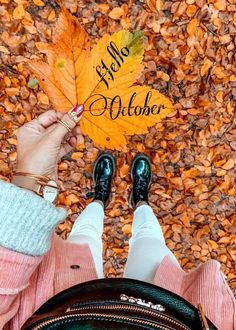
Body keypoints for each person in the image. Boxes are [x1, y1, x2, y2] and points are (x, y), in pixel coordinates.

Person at [0, 106, 235, 330]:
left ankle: (100, 198)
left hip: (58, 296)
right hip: (173, 306)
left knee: (84, 238)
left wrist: (30, 180)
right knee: (149, 242)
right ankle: (139, 200)